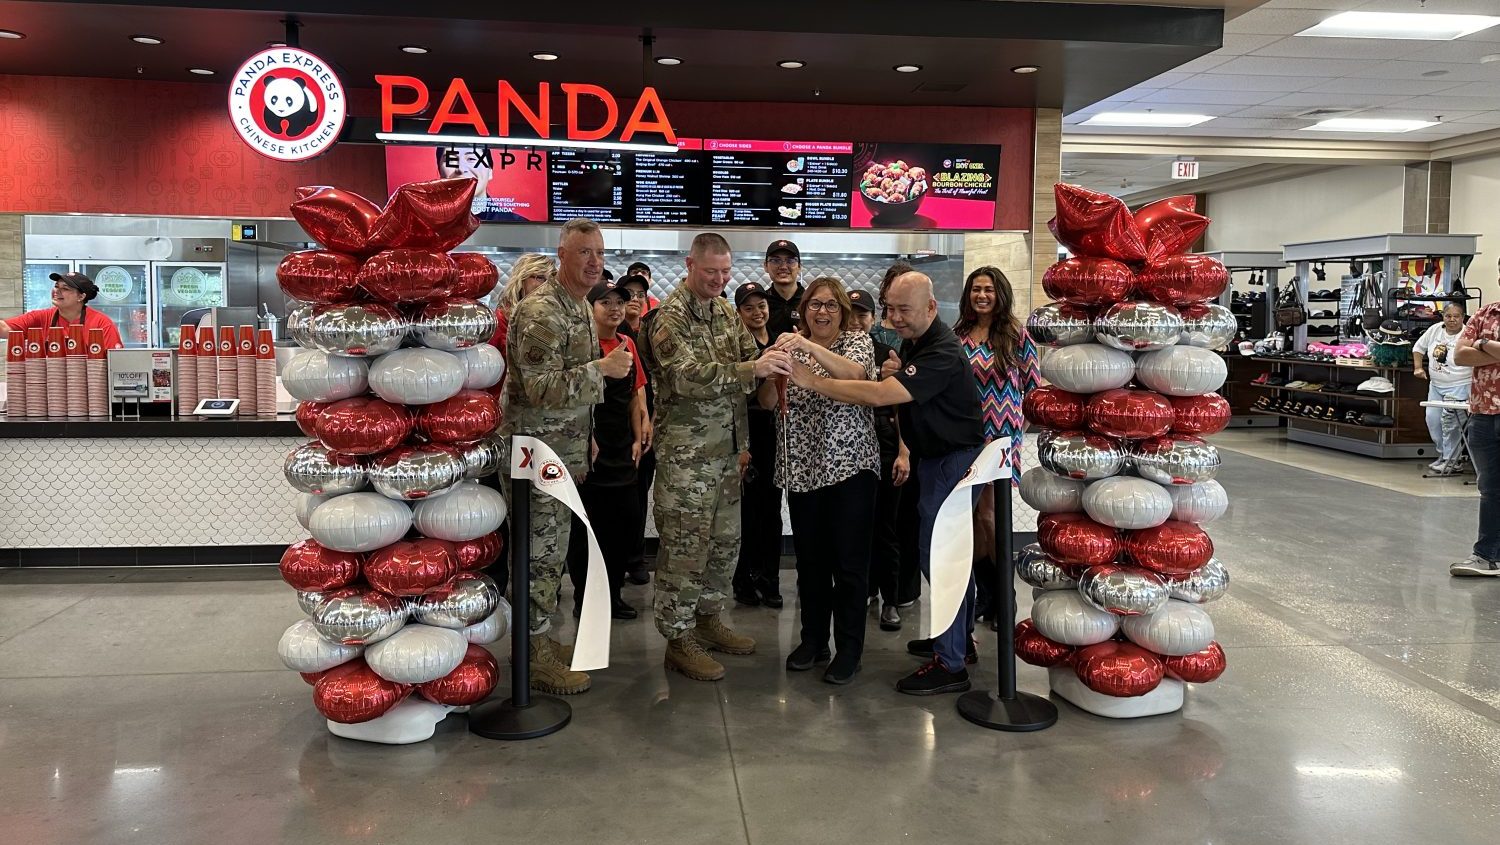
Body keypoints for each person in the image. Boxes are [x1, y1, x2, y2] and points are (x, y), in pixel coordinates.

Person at [785, 271, 985, 695]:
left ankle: (950, 663)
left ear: (932, 308)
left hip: (953, 462)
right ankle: (958, 643)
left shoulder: (941, 352)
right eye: (889, 308)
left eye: (904, 310)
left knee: (941, 558)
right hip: (933, 460)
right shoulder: (918, 342)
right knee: (942, 556)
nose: (894, 318)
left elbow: (876, 394)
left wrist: (812, 380)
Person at [641, 232, 792, 681]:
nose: (720, 280)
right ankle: (678, 638)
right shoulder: (668, 318)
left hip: (728, 457)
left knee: (724, 546)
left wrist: (775, 364)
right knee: (685, 550)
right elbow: (686, 377)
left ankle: (707, 618)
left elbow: (752, 360)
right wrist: (755, 369)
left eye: (726, 272)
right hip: (688, 460)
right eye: (711, 272)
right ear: (690, 265)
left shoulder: (726, 311)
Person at [503, 219, 634, 694]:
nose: (594, 261)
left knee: (553, 551)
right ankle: (532, 651)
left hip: (562, 451)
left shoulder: (578, 307)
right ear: (562, 254)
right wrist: (601, 369)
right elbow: (539, 388)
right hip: (536, 455)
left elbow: (569, 387)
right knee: (539, 553)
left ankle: (537, 637)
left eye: (598, 253)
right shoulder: (542, 312)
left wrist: (589, 433)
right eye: (584, 252)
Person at [761, 278, 879, 684]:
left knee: (849, 565)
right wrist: (773, 370)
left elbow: (858, 375)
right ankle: (813, 640)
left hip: (850, 468)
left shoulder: (856, 341)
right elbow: (765, 402)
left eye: (830, 305)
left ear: (842, 310)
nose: (822, 311)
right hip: (803, 468)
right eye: (814, 304)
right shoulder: (786, 348)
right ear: (803, 309)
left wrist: (807, 346)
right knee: (810, 563)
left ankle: (849, 650)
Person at [955, 266, 1039, 627]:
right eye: (976, 289)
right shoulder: (959, 335)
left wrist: (1017, 429)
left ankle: (1004, 599)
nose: (982, 295)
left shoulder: (1016, 335)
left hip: (1002, 435)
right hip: (965, 435)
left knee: (990, 515)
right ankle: (984, 596)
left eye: (988, 289)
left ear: (999, 294)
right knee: (971, 517)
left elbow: (1034, 390)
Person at [566, 281, 652, 621]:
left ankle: (613, 594)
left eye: (621, 302)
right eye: (606, 302)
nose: (616, 308)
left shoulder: (627, 343)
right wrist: (582, 436)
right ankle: (585, 600)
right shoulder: (580, 346)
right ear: (591, 308)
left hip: (621, 452)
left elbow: (635, 393)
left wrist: (640, 430)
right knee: (586, 530)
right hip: (589, 452)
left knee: (624, 526)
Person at [850, 288, 911, 631]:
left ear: (874, 320)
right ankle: (864, 591)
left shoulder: (888, 352)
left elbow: (904, 405)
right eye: (853, 313)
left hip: (887, 446)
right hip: (853, 452)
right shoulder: (839, 352)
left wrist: (904, 451)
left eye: (863, 315)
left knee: (886, 528)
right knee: (856, 527)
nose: (857, 321)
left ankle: (891, 599)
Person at [731, 282, 784, 609]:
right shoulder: (737, 346)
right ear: (739, 313)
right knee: (747, 513)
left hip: (775, 434)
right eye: (748, 307)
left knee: (772, 511)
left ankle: (771, 578)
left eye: (761, 305)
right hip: (747, 433)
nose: (757, 312)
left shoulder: (779, 342)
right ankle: (744, 580)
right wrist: (741, 444)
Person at [1449, 299, 1500, 576]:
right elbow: (1459, 355)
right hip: (1482, 412)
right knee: (1490, 489)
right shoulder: (1486, 312)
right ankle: (1487, 556)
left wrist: (1480, 344)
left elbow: (1470, 350)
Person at [614, 272, 657, 587]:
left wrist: (649, 422)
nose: (634, 300)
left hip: (648, 428)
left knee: (639, 497)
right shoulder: (614, 335)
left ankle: (636, 558)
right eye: (627, 294)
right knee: (620, 500)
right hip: (616, 432)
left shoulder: (654, 331)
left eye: (639, 294)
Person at [1414, 303, 1472, 476]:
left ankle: (1452, 461)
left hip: (1460, 384)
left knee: (1450, 422)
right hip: (1436, 385)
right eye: (1448, 316)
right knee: (1432, 419)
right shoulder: (1435, 330)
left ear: (1463, 317)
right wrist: (1418, 368)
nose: (1452, 320)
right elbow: (1418, 348)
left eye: (1457, 316)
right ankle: (1444, 455)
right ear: (1443, 316)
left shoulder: (1469, 333)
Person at [1, 272, 124, 349]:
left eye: (65, 288)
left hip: (88, 388)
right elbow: (4, 329)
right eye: (56, 286)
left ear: (81, 297)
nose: (57, 291)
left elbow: (115, 363)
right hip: (50, 387)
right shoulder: (41, 317)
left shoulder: (101, 324)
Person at [436, 145, 531, 222]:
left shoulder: (519, 226)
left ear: (490, 172)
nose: (461, 169)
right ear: (440, 171)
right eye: (451, 160)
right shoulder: (426, 226)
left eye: (471, 159)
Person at [763, 239, 804, 339]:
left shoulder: (811, 302)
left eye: (790, 261)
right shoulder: (761, 304)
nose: (783, 266)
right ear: (765, 266)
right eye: (776, 261)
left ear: (799, 266)